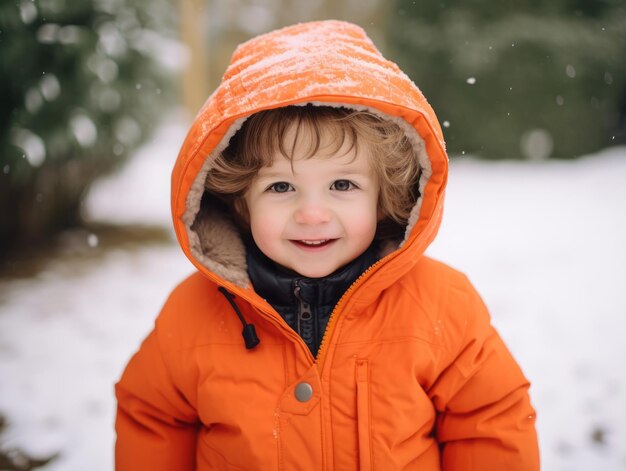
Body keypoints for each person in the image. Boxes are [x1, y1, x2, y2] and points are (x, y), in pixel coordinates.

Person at [115, 20, 540, 470]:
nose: (312, 213)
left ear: (384, 198)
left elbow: (489, 420)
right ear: (241, 202)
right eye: (280, 187)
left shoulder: (442, 306)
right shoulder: (192, 315)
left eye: (342, 184)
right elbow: (155, 419)